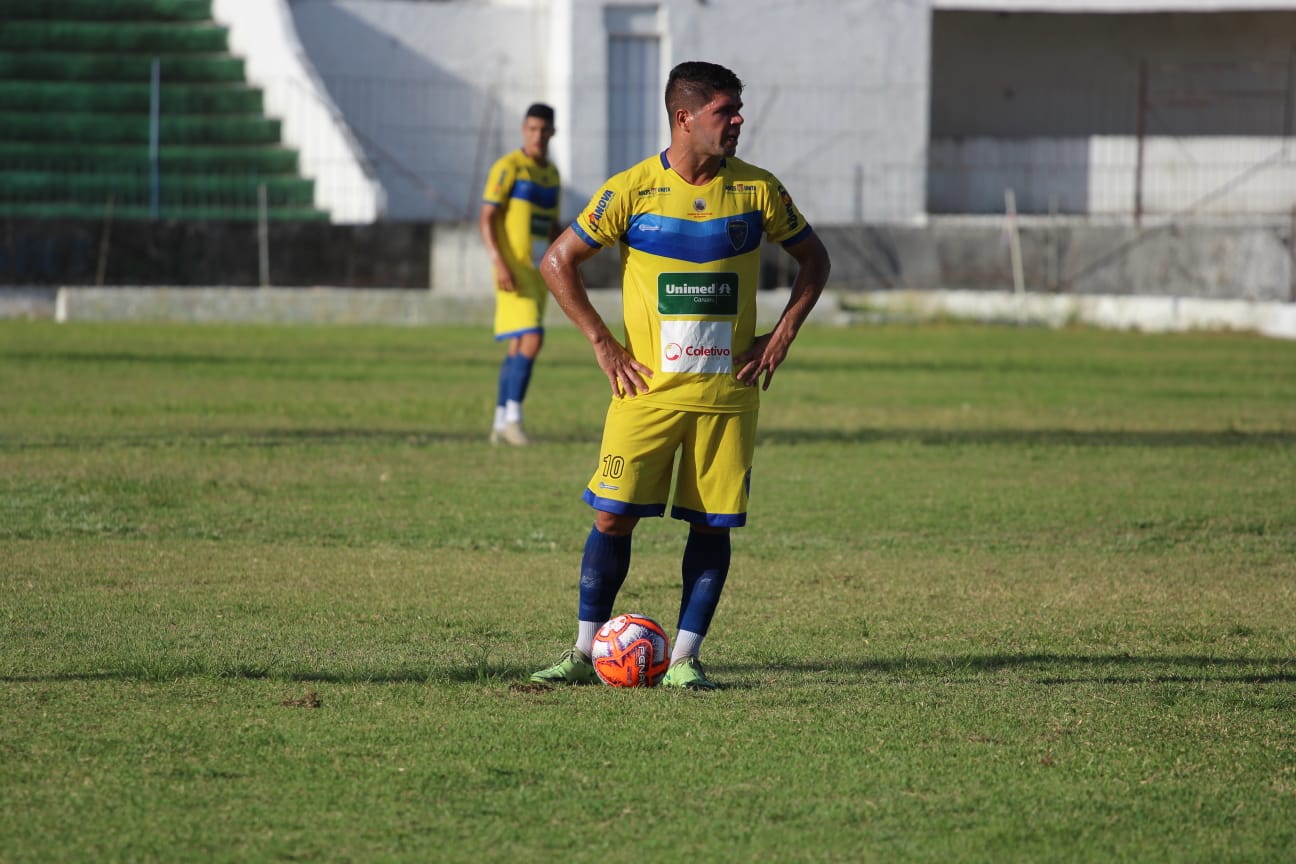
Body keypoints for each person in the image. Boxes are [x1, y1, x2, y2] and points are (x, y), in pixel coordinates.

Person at [531, 61, 831, 690]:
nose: (739, 121)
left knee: (710, 525)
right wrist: (603, 344)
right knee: (612, 516)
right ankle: (585, 653)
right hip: (645, 394)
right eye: (726, 111)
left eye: (738, 110)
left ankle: (687, 658)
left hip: (727, 398)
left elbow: (814, 259)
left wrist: (780, 336)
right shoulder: (632, 189)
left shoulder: (759, 191)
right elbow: (558, 260)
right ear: (684, 117)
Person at [479, 103, 562, 445]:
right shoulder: (508, 168)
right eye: (532, 129)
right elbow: (486, 218)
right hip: (512, 269)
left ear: (552, 132)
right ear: (523, 130)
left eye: (544, 130)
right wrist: (499, 262)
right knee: (532, 337)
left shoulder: (552, 174)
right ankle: (514, 417)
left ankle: (499, 421)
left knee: (518, 345)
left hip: (537, 270)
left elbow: (553, 225)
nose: (538, 136)